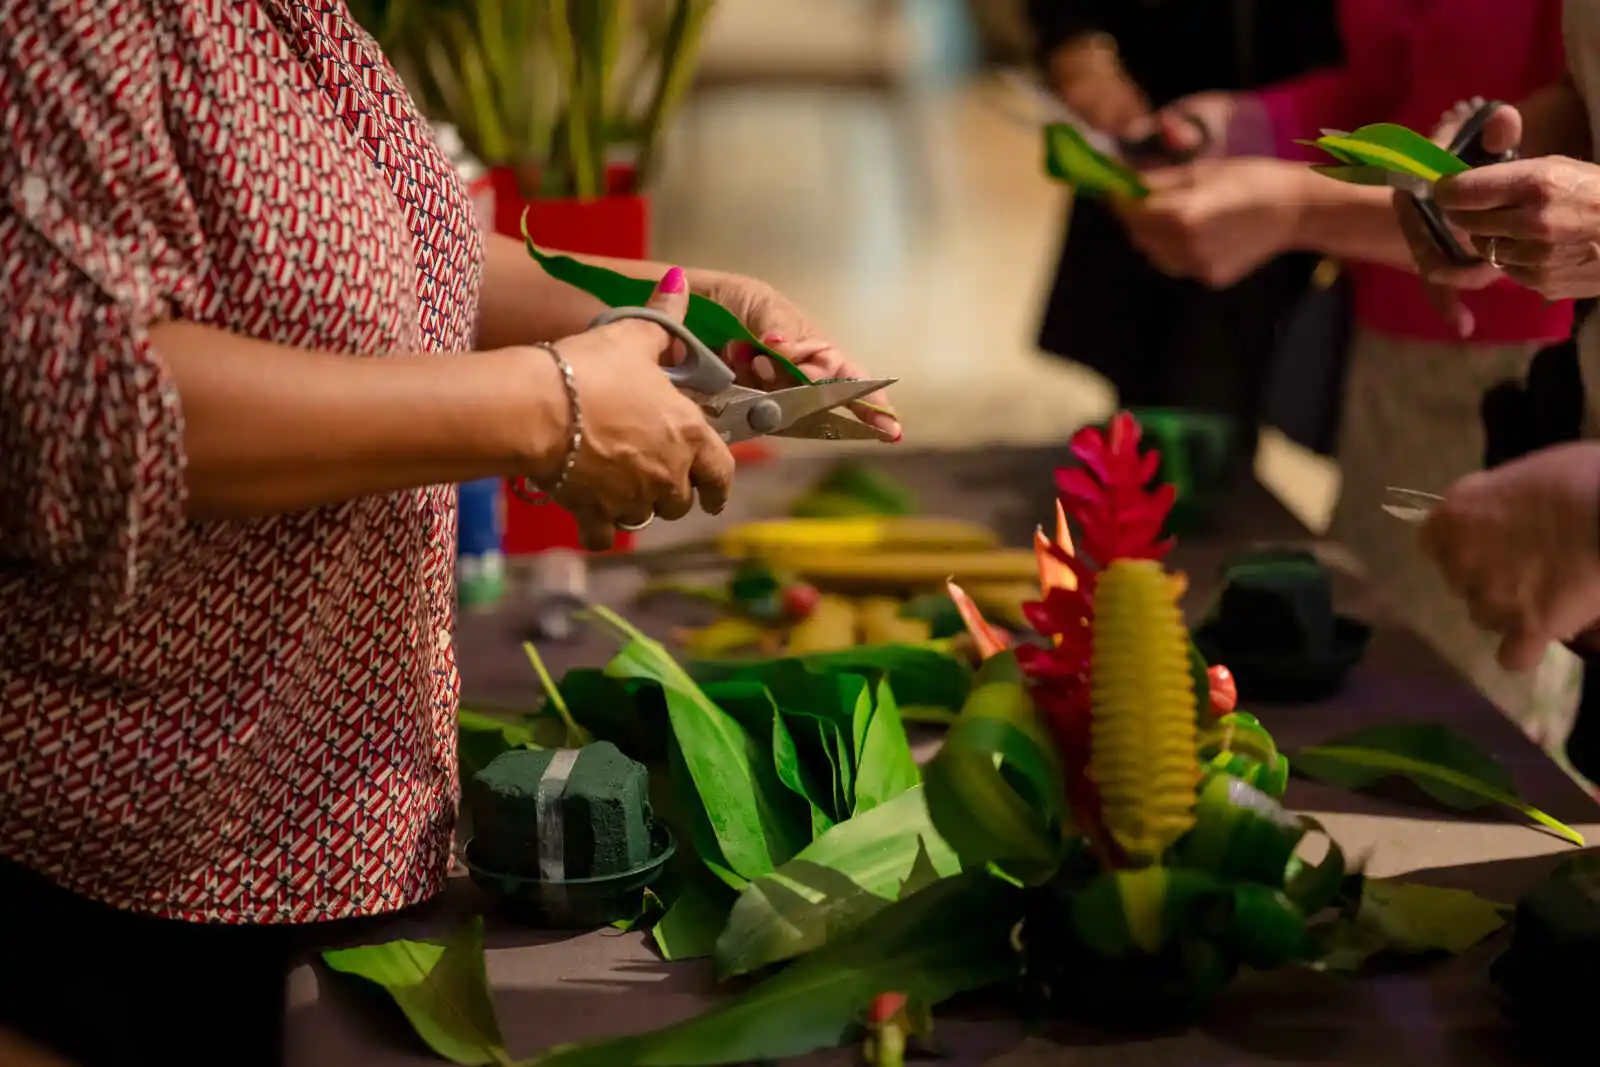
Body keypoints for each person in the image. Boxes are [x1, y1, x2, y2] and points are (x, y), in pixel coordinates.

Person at [0, 4, 896, 1066]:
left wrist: (677, 307)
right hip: (126, 868)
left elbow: (402, 257)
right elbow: (84, 408)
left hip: (309, 832)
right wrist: (549, 405)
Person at [1109, 0, 1581, 742]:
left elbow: (1550, 189)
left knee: (1469, 716)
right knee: (1371, 660)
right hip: (1387, 355)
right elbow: (1386, 96)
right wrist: (1245, 127)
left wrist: (1296, 209)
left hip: (1514, 376)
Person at [1024, 0, 1342, 476]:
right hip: (1165, 112)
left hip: (1296, 146)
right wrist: (1079, 50)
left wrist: (1303, 206)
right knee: (1162, 370)